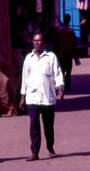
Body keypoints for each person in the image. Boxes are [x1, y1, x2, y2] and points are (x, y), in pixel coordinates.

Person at [19, 31, 64, 161]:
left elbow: (58, 73)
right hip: (32, 97)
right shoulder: (28, 58)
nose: (36, 43)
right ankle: (34, 152)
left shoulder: (51, 57)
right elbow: (24, 78)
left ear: (43, 42)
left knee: (48, 125)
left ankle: (50, 148)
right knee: (34, 125)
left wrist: (60, 88)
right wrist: (23, 97)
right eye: (34, 41)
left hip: (47, 97)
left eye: (39, 41)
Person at [53, 18, 80, 93]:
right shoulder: (71, 31)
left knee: (61, 71)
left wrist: (54, 54)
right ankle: (67, 86)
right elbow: (74, 45)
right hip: (68, 55)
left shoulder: (58, 31)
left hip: (60, 55)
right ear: (69, 21)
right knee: (68, 72)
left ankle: (61, 85)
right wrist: (76, 58)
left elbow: (55, 44)